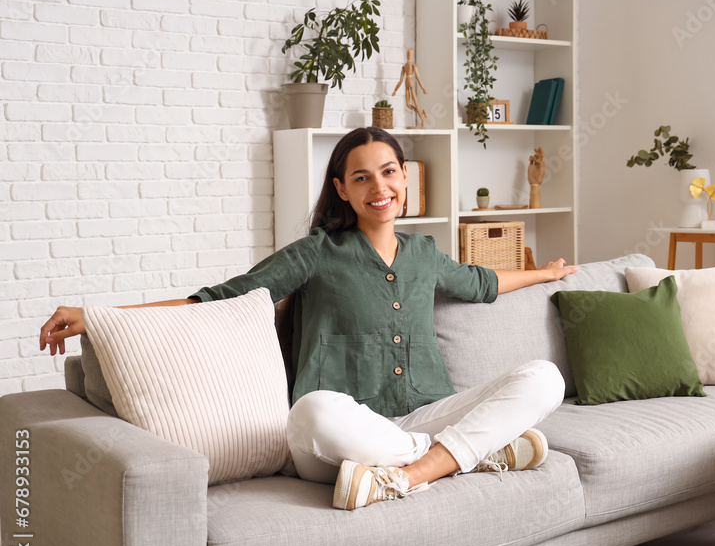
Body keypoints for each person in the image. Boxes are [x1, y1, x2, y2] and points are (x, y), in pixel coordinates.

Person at [39, 127, 576, 510]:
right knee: (311, 411)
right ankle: (470, 454)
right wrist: (98, 317)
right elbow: (221, 298)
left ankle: (410, 475)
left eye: (388, 172)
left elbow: (482, 283)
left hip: (422, 416)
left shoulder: (425, 254)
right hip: (333, 442)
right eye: (361, 177)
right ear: (342, 189)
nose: (378, 187)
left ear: (405, 179)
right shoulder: (317, 251)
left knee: (544, 377)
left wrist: (546, 272)